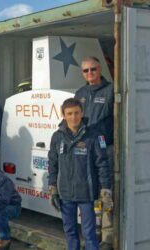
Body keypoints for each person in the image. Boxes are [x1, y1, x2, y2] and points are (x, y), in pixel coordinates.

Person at [47, 98, 112, 250]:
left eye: (76, 113)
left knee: (89, 233)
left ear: (82, 113)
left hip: (86, 194)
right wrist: (52, 188)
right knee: (70, 232)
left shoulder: (93, 136)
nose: (73, 117)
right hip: (65, 194)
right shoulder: (57, 137)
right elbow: (52, 164)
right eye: (69, 113)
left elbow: (102, 163)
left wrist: (105, 190)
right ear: (63, 115)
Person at [75, 56, 114, 249]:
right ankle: (92, 235)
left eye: (93, 69)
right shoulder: (80, 93)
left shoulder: (111, 90)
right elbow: (73, 120)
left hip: (106, 149)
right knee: (89, 192)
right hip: (85, 149)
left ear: (100, 69)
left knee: (107, 191)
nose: (90, 73)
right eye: (86, 70)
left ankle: (107, 238)